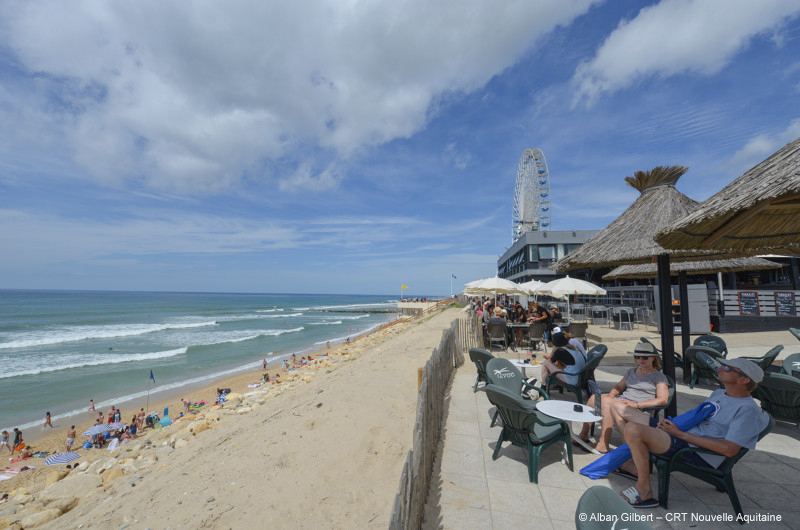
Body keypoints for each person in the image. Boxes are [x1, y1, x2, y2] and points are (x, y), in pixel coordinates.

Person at [612, 358, 769, 509]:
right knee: (618, 406)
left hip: (694, 452)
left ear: (743, 380)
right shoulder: (719, 394)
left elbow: (729, 449)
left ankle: (644, 489)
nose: (720, 368)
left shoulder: (748, 410)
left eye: (727, 368)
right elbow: (697, 418)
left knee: (633, 429)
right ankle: (634, 459)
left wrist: (679, 433)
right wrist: (674, 426)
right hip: (680, 436)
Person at [578, 342, 668, 453]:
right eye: (637, 357)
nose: (641, 359)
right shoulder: (631, 371)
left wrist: (637, 404)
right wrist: (613, 393)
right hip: (622, 403)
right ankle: (584, 435)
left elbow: (663, 400)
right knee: (594, 398)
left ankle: (603, 443)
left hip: (638, 410)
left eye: (645, 357)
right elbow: (620, 386)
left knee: (606, 404)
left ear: (653, 358)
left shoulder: (658, 376)